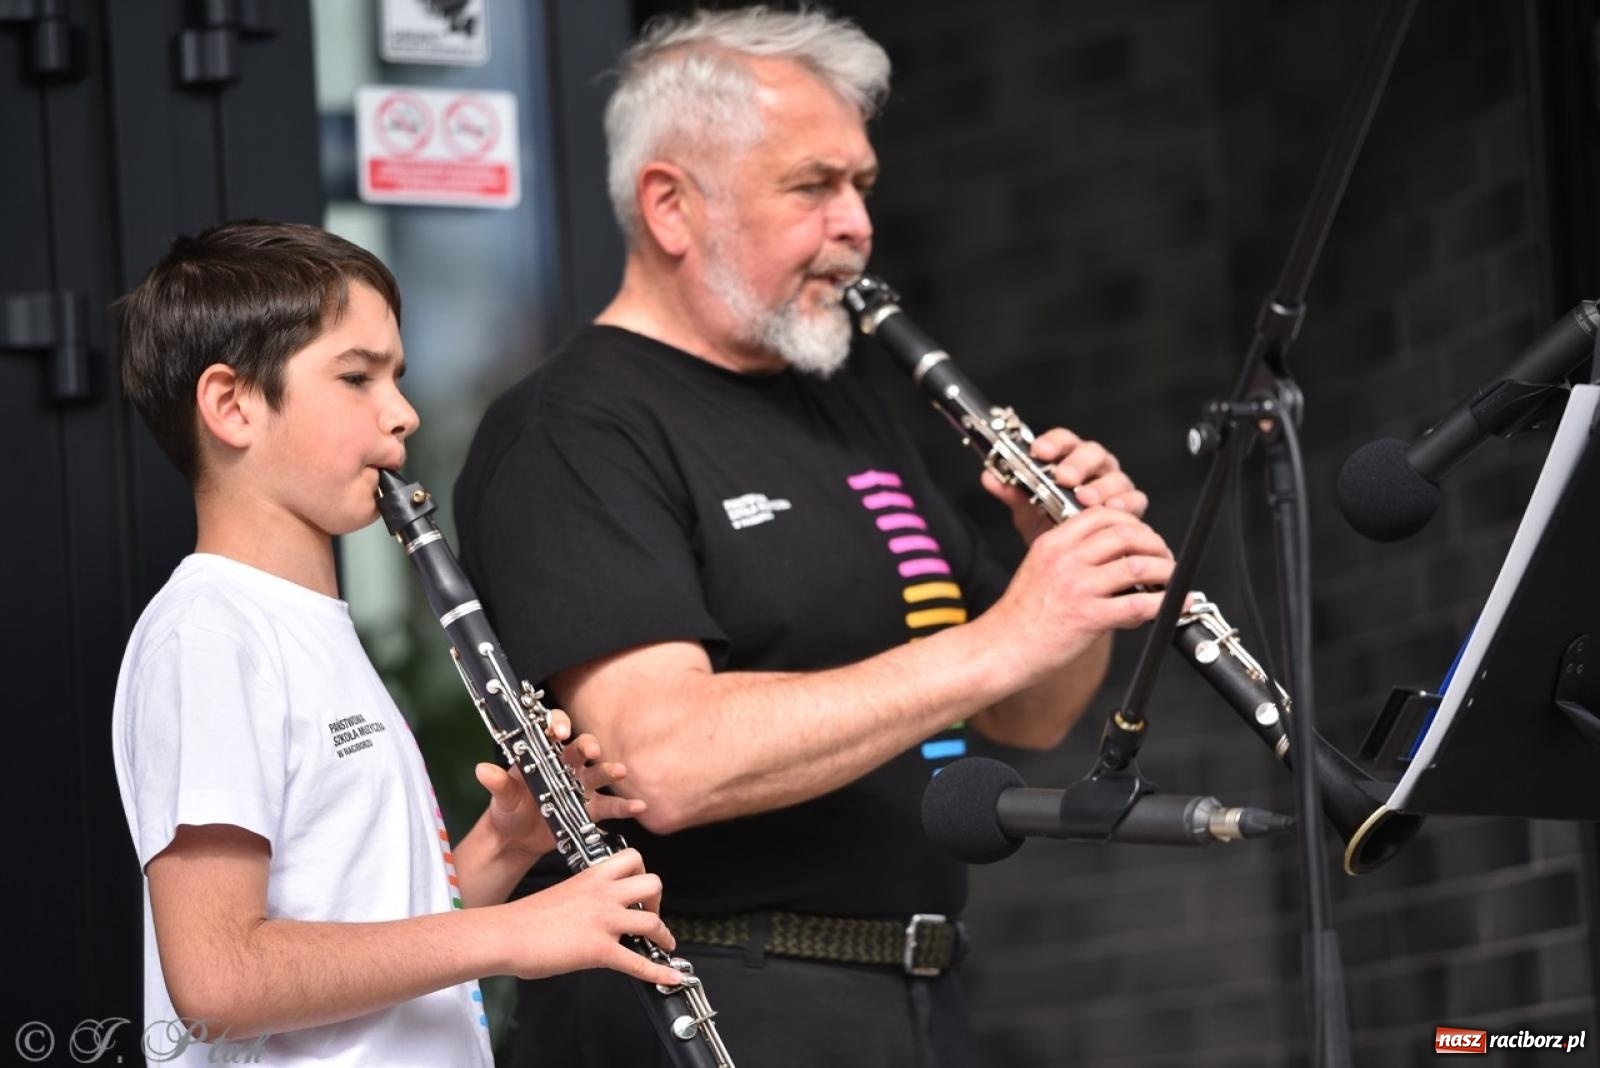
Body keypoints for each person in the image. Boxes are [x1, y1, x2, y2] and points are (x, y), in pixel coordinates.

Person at [454, 8, 1177, 1066]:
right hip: (703, 1001)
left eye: (861, 186)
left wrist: (1068, 578)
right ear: (670, 205)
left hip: (915, 1000)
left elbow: (1029, 711)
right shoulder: (572, 429)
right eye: (812, 186)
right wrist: (1001, 637)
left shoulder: (840, 407)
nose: (856, 225)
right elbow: (662, 760)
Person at [110, 220, 683, 1067]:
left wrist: (503, 846)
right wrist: (514, 932)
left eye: (397, 377)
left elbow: (367, 935)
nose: (403, 413)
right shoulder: (210, 635)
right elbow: (219, 981)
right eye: (357, 377)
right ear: (232, 405)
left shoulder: (305, 628)